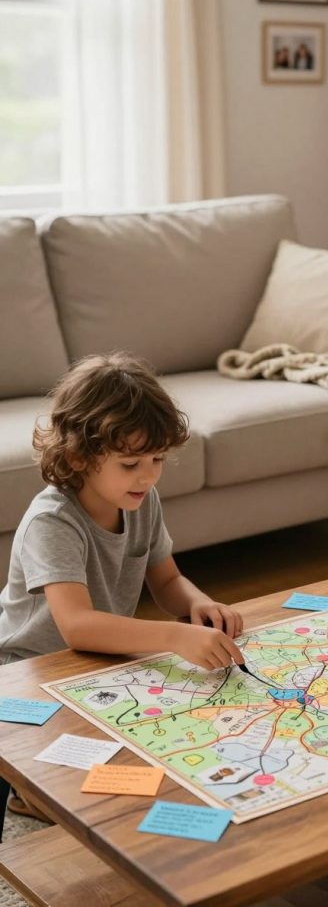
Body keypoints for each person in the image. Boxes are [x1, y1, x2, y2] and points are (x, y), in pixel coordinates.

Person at [0, 351, 244, 837]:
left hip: (95, 662)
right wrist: (174, 639)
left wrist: (197, 604)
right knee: (98, 781)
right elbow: (78, 625)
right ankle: (29, 788)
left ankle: (40, 788)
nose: (149, 476)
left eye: (157, 460)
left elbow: (167, 582)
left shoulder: (140, 499)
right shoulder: (53, 520)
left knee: (165, 742)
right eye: (131, 463)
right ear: (77, 458)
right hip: (29, 673)